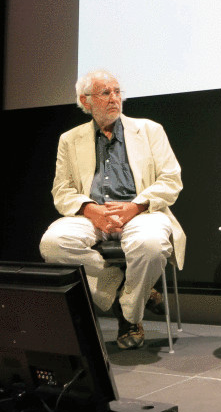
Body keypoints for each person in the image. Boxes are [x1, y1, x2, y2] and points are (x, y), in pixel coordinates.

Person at [40, 70, 185, 350]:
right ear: (86, 100)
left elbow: (171, 180)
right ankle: (125, 290)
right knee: (52, 244)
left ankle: (129, 313)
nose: (114, 98)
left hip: (141, 210)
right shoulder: (70, 140)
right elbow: (62, 190)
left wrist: (135, 206)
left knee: (152, 245)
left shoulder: (149, 130)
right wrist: (89, 209)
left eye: (117, 92)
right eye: (105, 93)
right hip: (92, 215)